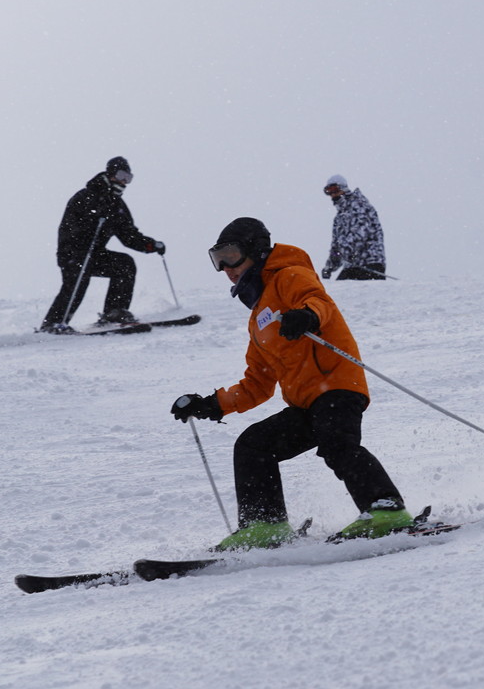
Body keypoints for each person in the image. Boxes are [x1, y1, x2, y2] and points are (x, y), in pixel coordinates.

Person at [171, 217, 412, 550]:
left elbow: (319, 301)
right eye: (218, 259)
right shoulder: (257, 319)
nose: (226, 266)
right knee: (254, 444)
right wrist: (212, 404)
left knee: (336, 440)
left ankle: (386, 509)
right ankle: (264, 525)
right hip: (305, 405)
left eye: (231, 254)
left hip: (336, 386)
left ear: (255, 249)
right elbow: (258, 383)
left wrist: (308, 316)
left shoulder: (289, 274)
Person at [39, 156, 165, 334]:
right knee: (77, 282)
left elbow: (128, 235)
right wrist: (93, 217)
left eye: (128, 178)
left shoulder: (117, 205)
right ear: (110, 173)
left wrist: (151, 245)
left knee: (124, 264)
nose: (124, 182)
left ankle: (115, 311)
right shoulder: (86, 196)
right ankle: (53, 323)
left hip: (96, 254)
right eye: (121, 175)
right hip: (73, 253)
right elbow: (70, 226)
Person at [321, 174, 387, 280]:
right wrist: (330, 267)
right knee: (337, 292)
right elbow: (336, 247)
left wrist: (348, 254)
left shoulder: (360, 207)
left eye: (336, 190)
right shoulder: (339, 218)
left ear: (344, 189)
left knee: (350, 291)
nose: (333, 195)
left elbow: (359, 236)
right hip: (353, 266)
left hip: (370, 264)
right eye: (329, 192)